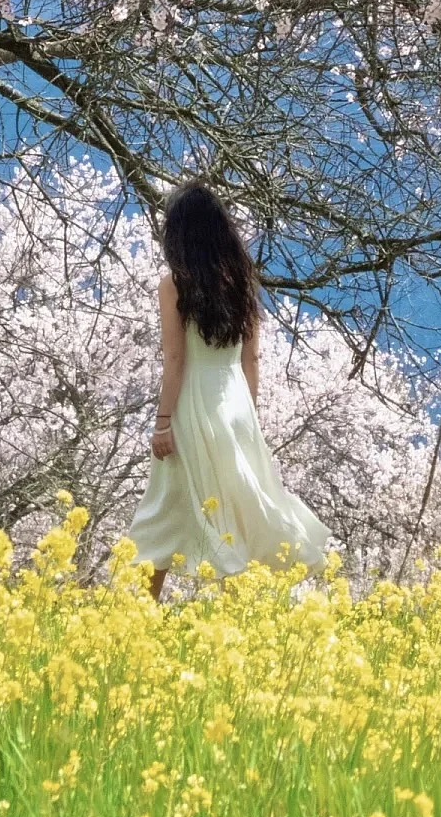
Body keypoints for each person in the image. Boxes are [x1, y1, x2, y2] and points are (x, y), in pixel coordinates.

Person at [124, 178, 332, 602]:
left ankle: (139, 610)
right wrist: (247, 418)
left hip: (194, 401)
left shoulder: (174, 284)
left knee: (164, 506)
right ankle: (239, 607)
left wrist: (162, 423)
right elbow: (251, 359)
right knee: (234, 504)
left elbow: (176, 360)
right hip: (234, 403)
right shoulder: (241, 281)